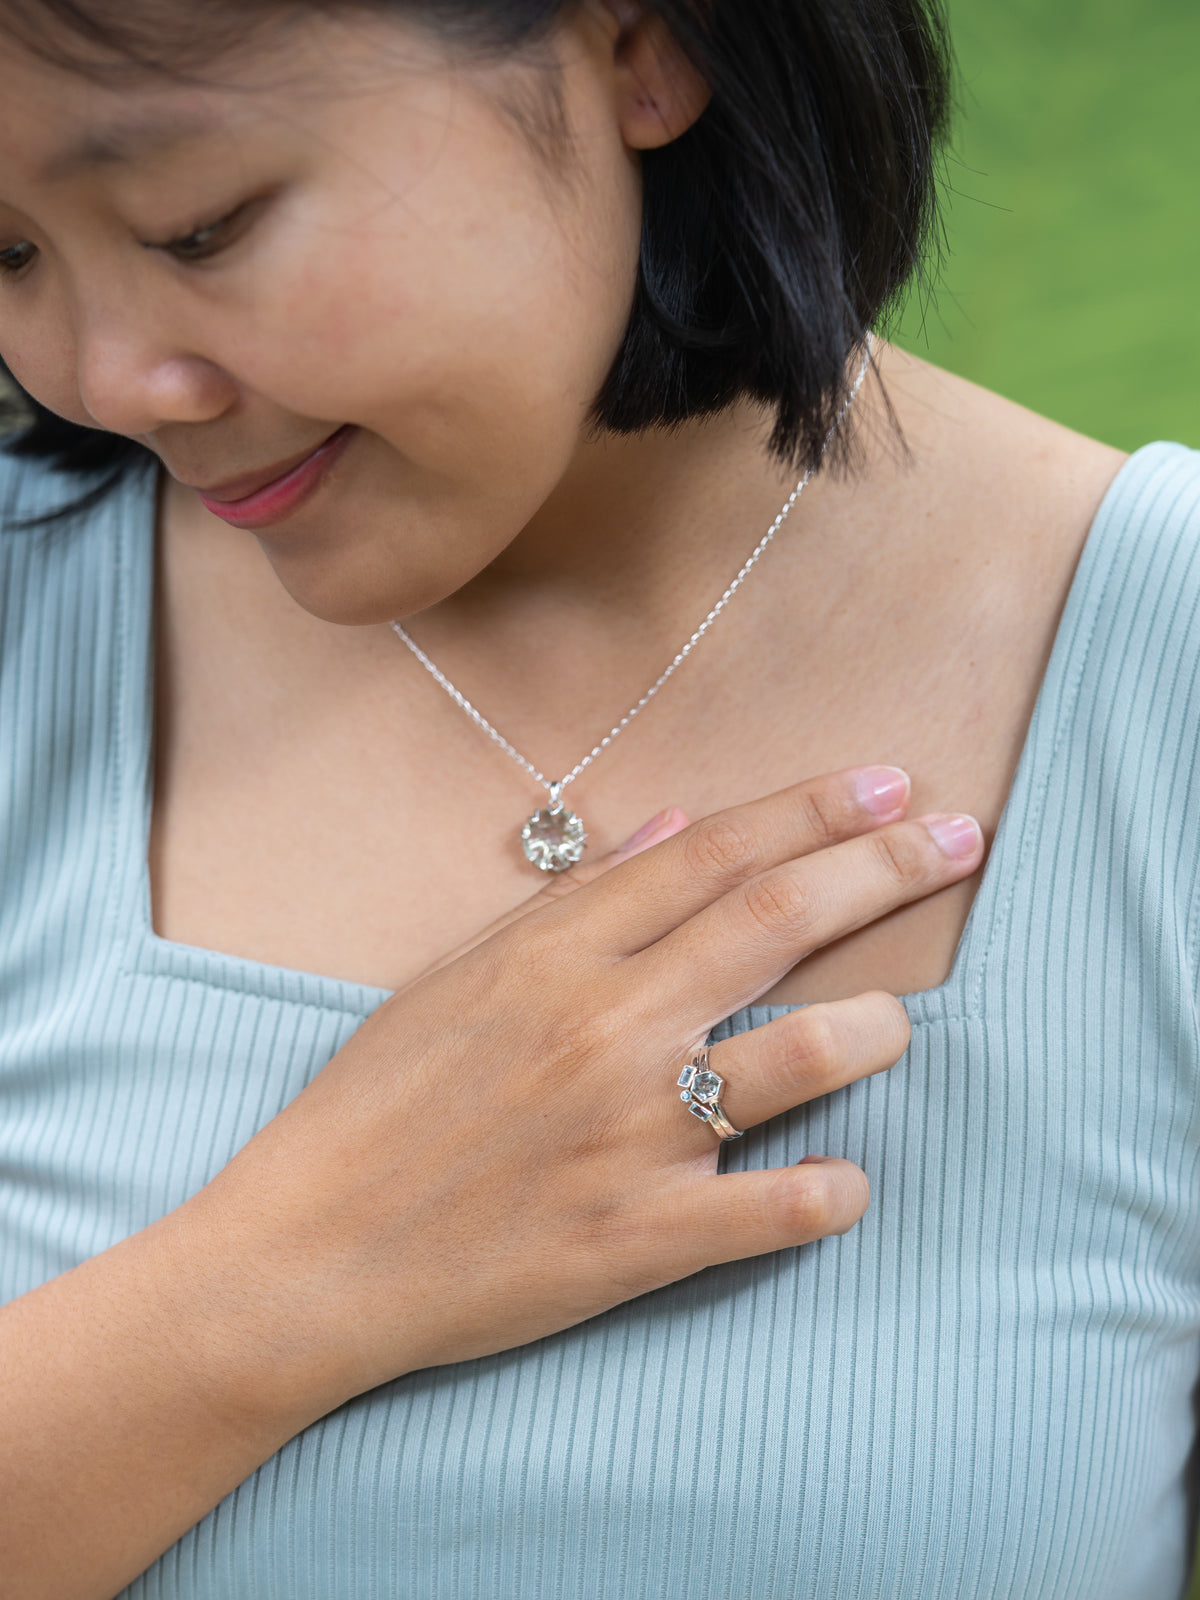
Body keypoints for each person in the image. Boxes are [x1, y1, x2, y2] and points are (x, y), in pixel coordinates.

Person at [1, 2, 1197, 1597]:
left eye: (199, 226)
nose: (101, 379)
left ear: (644, 49)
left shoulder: (1161, 669)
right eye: (6, 253)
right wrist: (303, 1267)